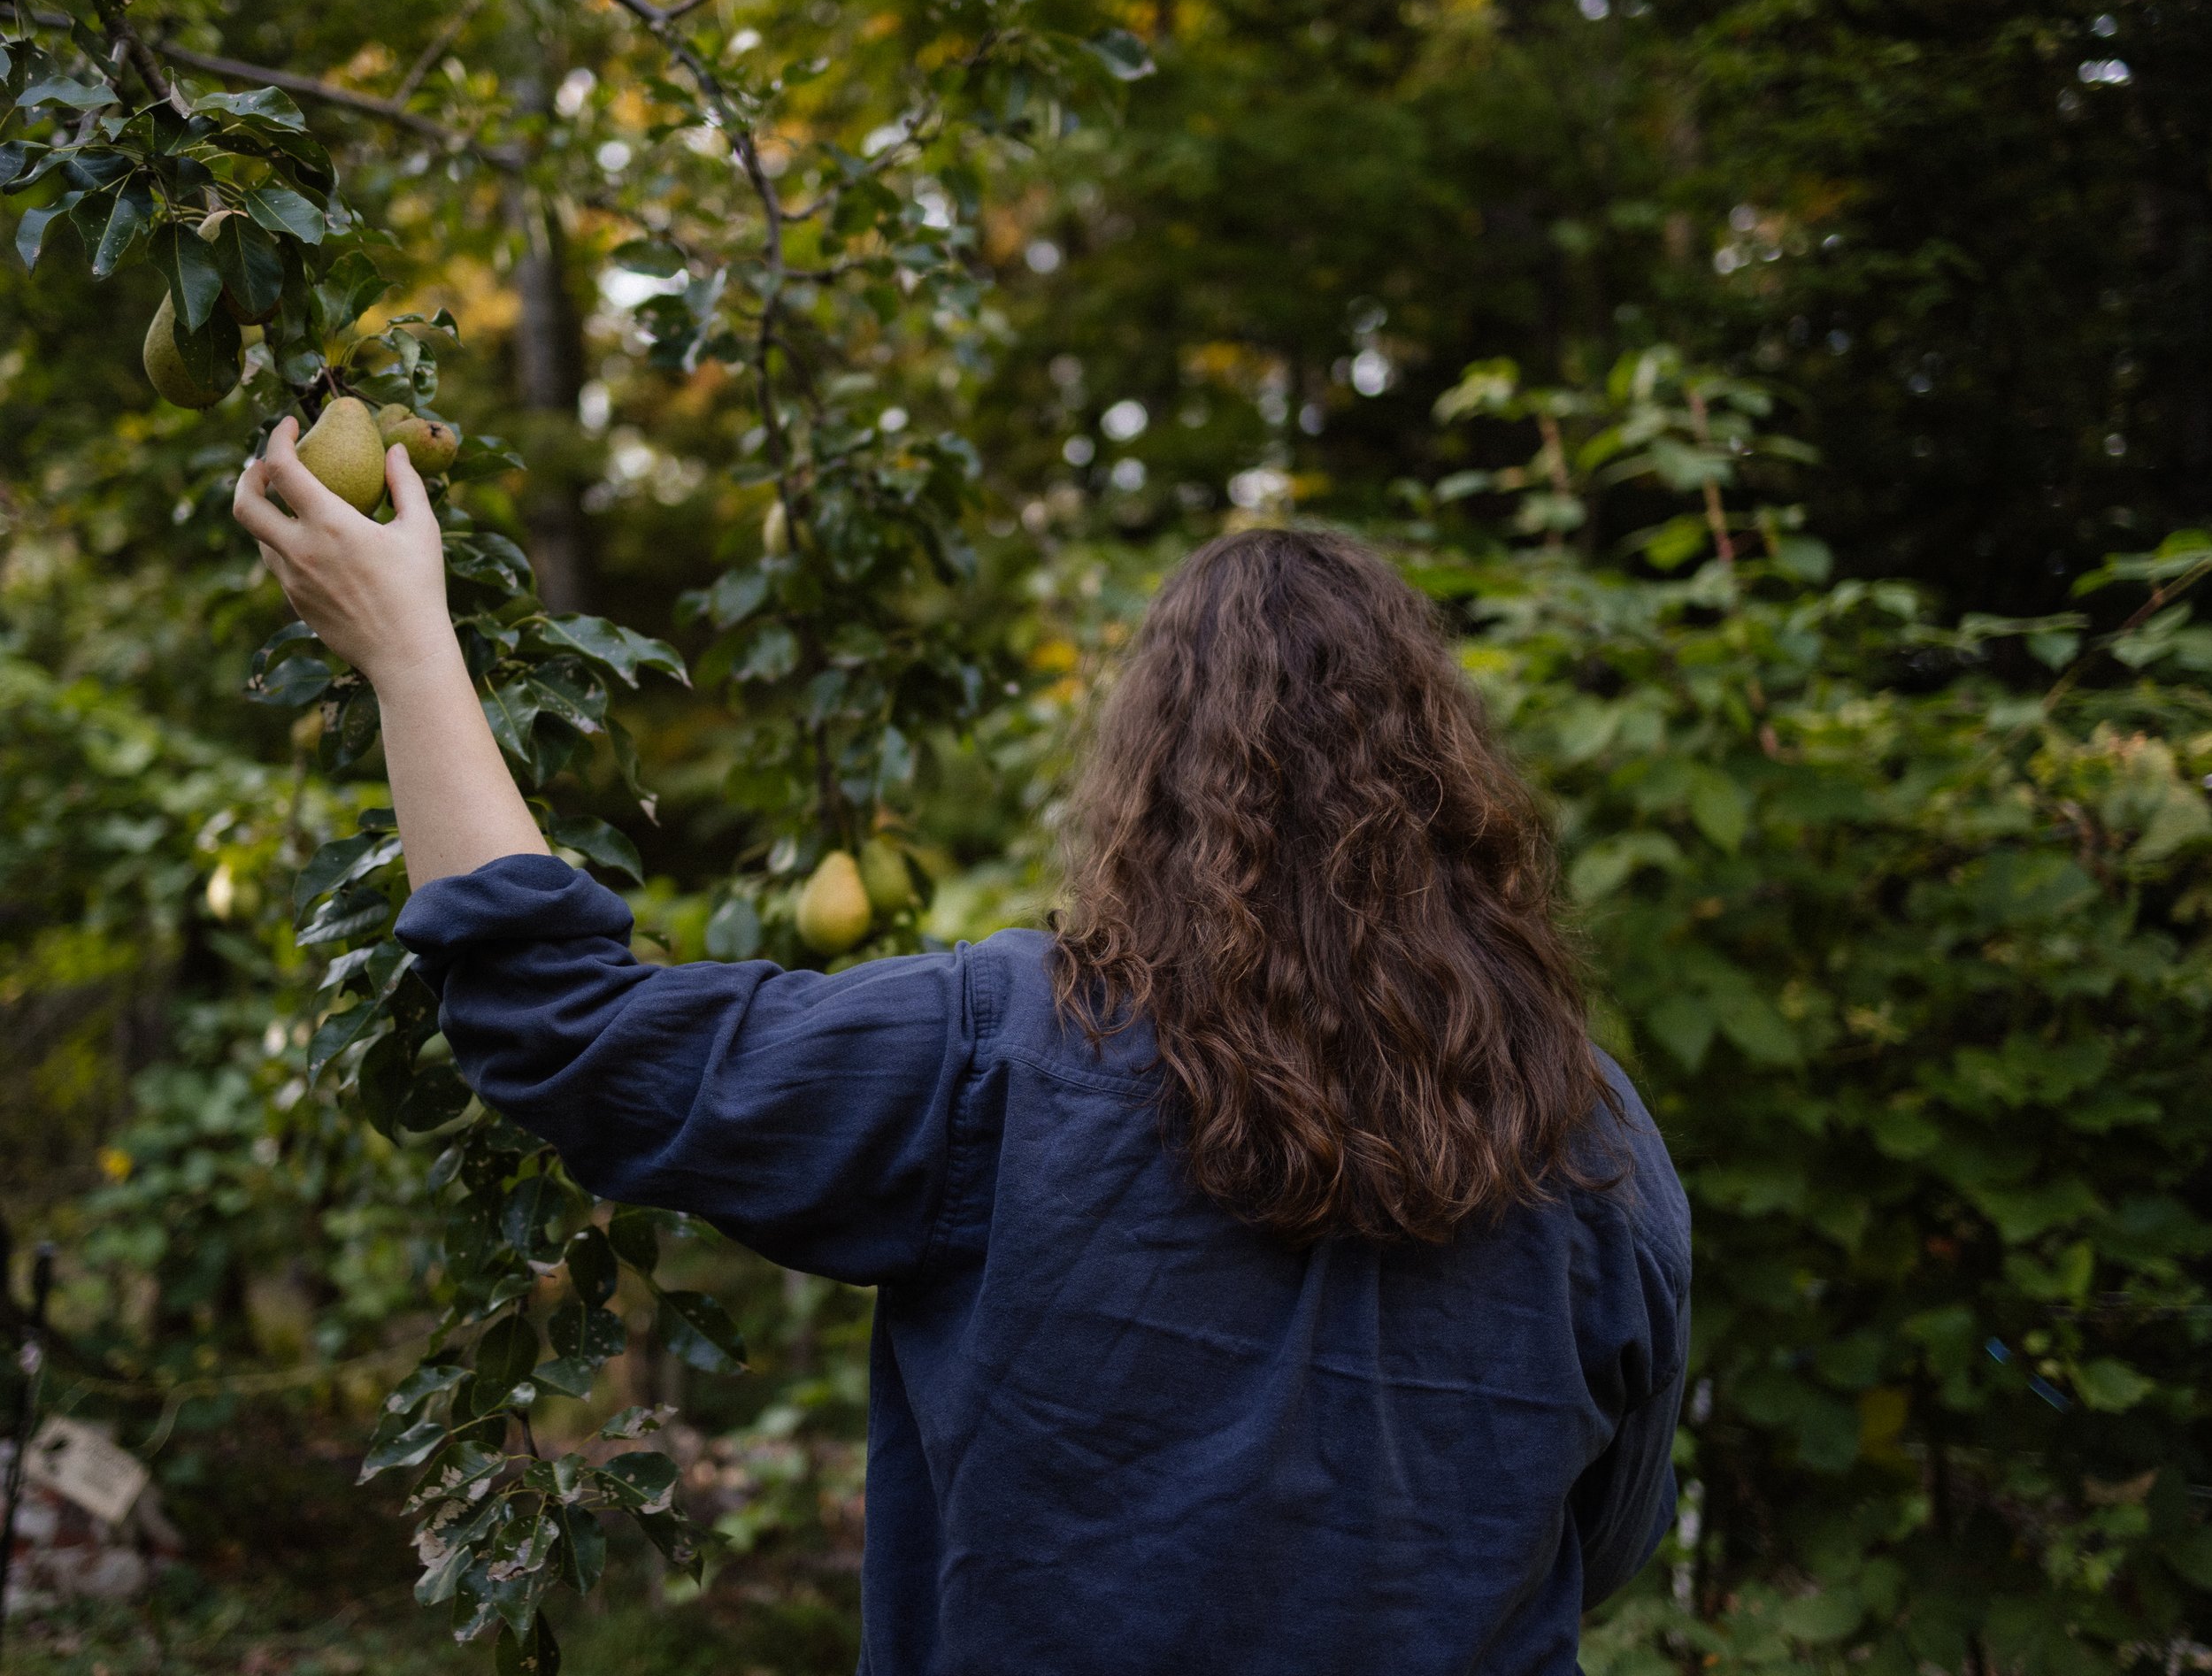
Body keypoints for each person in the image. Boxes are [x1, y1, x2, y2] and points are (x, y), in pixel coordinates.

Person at [234, 421, 1689, 1676]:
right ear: (1451, 789)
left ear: (1151, 786)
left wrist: (409, 654)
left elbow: (564, 1028)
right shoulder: (1597, 1136)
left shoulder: (1003, 1051)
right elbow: (1596, 1542)